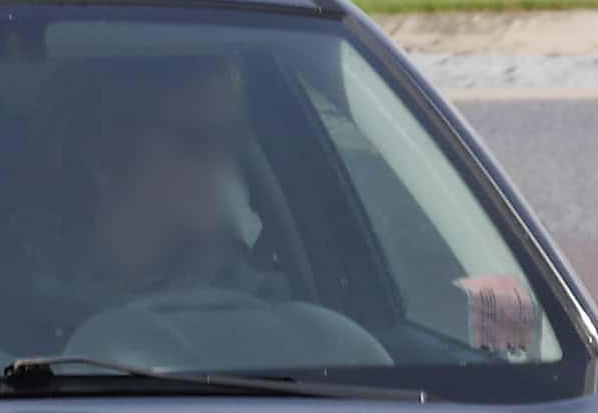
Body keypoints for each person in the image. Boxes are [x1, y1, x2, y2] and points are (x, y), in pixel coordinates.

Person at [46, 55, 540, 357]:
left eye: (232, 141)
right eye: (196, 142)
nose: (224, 166)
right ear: (107, 155)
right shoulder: (12, 308)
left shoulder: (280, 311)